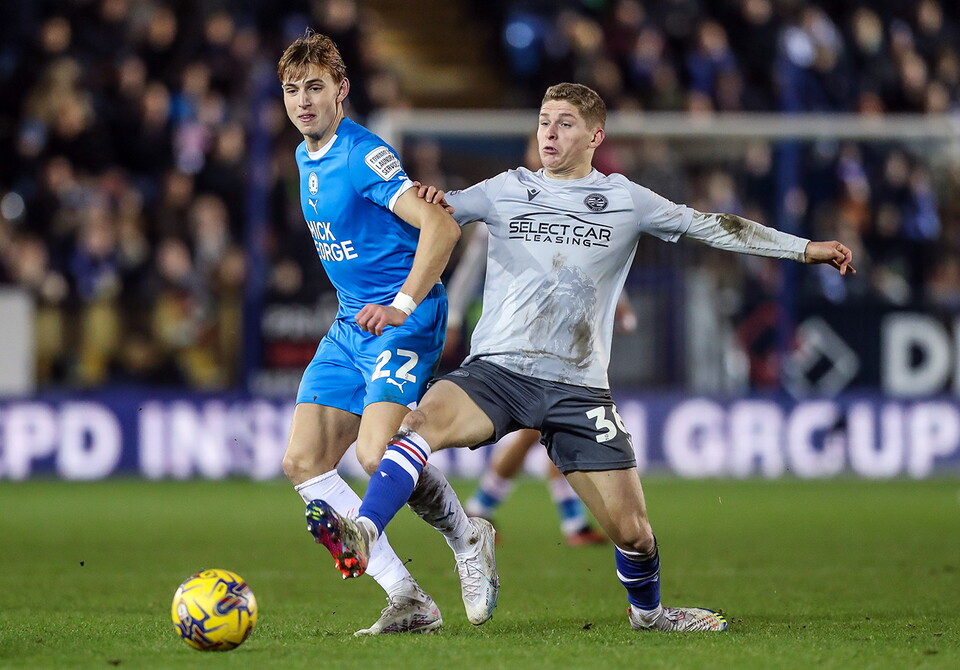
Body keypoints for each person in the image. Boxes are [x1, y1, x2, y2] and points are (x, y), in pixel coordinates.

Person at [306, 82, 855, 632]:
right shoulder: (504, 188)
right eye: (544, 121)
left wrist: (804, 249)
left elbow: (714, 227)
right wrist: (413, 202)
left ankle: (650, 614)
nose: (549, 132)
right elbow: (431, 217)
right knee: (415, 426)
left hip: (578, 388)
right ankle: (368, 529)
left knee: (634, 531)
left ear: (595, 136)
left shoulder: (627, 200)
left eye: (564, 122)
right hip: (496, 371)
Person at [276, 31, 498, 636]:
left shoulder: (361, 153)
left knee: (376, 453)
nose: (303, 101)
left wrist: (402, 303)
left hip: (405, 319)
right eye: (293, 90)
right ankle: (409, 600)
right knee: (303, 462)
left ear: (342, 92)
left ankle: (467, 535)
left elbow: (441, 228)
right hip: (352, 324)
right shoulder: (304, 154)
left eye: (315, 88)